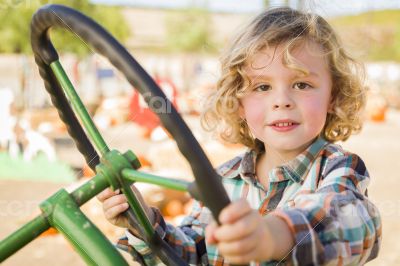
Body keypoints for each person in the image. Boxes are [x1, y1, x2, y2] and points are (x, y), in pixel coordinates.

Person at [97, 7, 381, 265]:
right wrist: (143, 222)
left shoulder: (338, 169)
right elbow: (192, 252)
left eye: (302, 84)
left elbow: (351, 221)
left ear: (333, 95)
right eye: (262, 87)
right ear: (238, 101)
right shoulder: (223, 179)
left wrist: (272, 236)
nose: (281, 101)